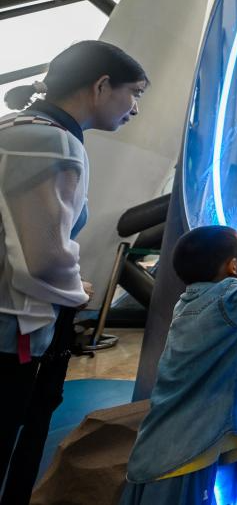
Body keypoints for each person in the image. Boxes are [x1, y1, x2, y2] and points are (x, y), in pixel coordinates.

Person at [0, 40, 148, 504]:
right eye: (134, 93)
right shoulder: (54, 143)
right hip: (12, 328)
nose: (135, 108)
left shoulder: (15, 127)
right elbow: (44, 255)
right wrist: (76, 290)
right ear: (102, 86)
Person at [120, 226, 237, 505]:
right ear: (232, 266)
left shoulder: (186, 301)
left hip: (160, 438)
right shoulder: (231, 299)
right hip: (189, 443)